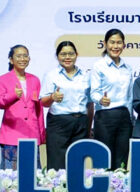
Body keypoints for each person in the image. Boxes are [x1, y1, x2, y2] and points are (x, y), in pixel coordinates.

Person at [40, 41, 93, 170]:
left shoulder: (85, 76)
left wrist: (88, 127)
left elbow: (90, 104)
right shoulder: (51, 75)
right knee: (57, 165)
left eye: (71, 54)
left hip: (81, 123)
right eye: (63, 54)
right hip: (59, 123)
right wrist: (52, 97)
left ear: (76, 55)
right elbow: (43, 102)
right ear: (57, 56)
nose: (67, 57)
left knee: (77, 164)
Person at [90, 29, 133, 169]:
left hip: (124, 117)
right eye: (112, 42)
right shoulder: (99, 66)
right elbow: (93, 93)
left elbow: (130, 96)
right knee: (104, 160)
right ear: (105, 43)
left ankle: (119, 183)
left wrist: (131, 118)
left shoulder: (128, 68)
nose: (115, 46)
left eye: (119, 43)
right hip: (105, 116)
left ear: (124, 45)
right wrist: (100, 100)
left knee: (121, 161)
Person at [0, 45, 45, 169]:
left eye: (25, 56)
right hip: (11, 135)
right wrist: (13, 95)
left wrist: (41, 134)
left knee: (33, 173)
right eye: (19, 56)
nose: (23, 59)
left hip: (32, 135)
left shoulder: (35, 80)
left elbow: (39, 109)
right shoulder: (3, 79)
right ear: (11, 60)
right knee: (10, 175)